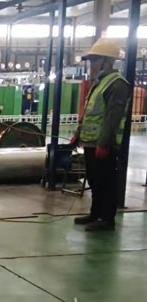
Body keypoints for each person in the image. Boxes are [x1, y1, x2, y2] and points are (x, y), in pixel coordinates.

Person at [71, 38, 130, 232]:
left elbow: (112, 118)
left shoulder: (117, 84)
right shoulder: (100, 83)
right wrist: (78, 134)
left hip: (104, 145)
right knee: (94, 179)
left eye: (95, 60)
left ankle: (106, 218)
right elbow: (90, 113)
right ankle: (95, 213)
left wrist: (104, 144)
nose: (92, 64)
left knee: (106, 181)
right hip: (90, 142)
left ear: (106, 61)